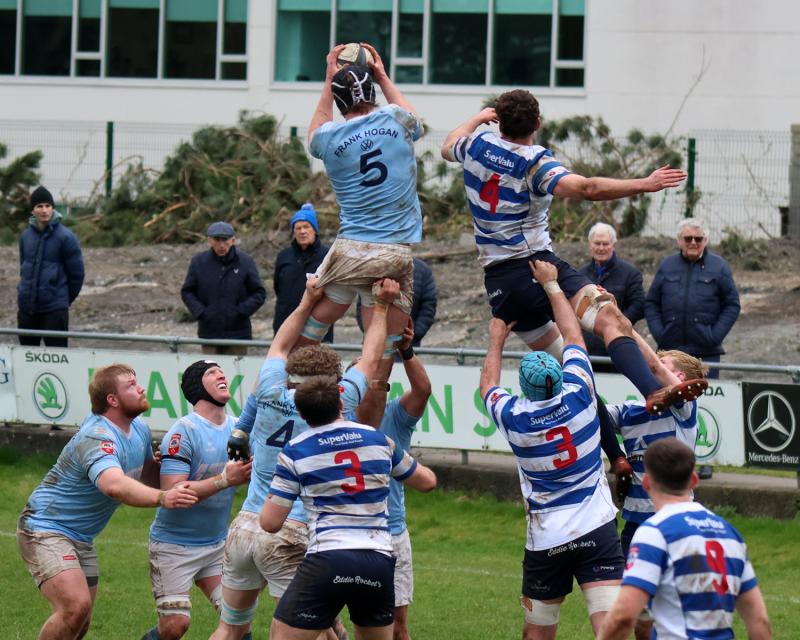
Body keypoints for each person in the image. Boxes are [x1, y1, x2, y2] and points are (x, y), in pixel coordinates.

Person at [440, 90, 691, 415]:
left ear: (498, 122)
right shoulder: (533, 163)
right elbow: (587, 188)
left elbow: (448, 145)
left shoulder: (477, 144)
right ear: (538, 123)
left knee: (575, 381)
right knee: (610, 318)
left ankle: (615, 442)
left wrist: (477, 118)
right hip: (537, 265)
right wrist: (645, 183)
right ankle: (654, 390)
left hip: (502, 284)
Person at [210, 277, 401, 640]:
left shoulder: (269, 388)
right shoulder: (338, 401)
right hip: (290, 531)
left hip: (246, 526)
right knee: (321, 634)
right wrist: (380, 307)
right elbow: (371, 358)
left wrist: (306, 300)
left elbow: (280, 344)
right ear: (333, 383)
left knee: (229, 629)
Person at [479, 259, 625, 640]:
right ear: (559, 377)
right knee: (609, 629)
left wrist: (497, 337)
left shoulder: (516, 418)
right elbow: (573, 336)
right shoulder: (580, 391)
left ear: (524, 390)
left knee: (538, 634)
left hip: (547, 538)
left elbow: (488, 387)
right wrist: (552, 285)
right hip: (597, 527)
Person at [16, 364, 198, 640]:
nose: (141, 388)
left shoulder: (139, 429)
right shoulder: (97, 435)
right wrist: (163, 498)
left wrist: (173, 466)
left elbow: (148, 477)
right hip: (44, 529)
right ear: (112, 399)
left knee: (80, 622)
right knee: (74, 608)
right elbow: (113, 485)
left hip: (81, 538)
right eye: (131, 385)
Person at [261, 375, 437, 640]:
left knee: (281, 634)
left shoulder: (295, 451)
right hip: (377, 560)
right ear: (341, 404)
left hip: (328, 558)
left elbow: (270, 522)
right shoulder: (378, 439)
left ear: (303, 415)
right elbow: (427, 482)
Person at [299, 43, 423, 347]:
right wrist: (383, 77)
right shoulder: (395, 118)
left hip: (350, 247)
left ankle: (292, 367)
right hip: (393, 250)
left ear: (339, 101)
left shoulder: (328, 137)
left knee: (313, 322)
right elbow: (414, 119)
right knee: (382, 344)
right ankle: (374, 370)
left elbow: (315, 130)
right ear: (372, 92)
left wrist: (329, 80)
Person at [598, 438, 772, 640]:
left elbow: (624, 617)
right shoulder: (731, 535)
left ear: (646, 482)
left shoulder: (655, 533)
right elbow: (760, 622)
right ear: (694, 481)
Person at [140, 360, 253, 640]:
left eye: (222, 371)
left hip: (216, 545)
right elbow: (173, 491)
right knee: (175, 626)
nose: (221, 375)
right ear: (196, 386)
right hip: (174, 546)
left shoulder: (238, 430)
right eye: (212, 373)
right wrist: (225, 479)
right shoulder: (183, 432)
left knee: (238, 622)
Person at [601, 347, 707, 640]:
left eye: (662, 364)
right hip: (635, 528)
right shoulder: (630, 410)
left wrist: (623, 331)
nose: (651, 367)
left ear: (679, 378)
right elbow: (594, 415)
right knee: (639, 615)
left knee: (673, 609)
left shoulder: (683, 407)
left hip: (674, 525)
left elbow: (658, 373)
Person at [348, 321, 431, 640]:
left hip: (391, 532)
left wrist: (406, 351)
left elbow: (422, 390)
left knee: (397, 628)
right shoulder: (336, 419)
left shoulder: (395, 415)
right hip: (346, 533)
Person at [645, 217, 741, 379]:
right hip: (670, 353)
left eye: (699, 239)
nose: (693, 243)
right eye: (688, 238)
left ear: (706, 241)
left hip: (706, 354)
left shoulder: (719, 266)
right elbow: (651, 303)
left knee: (704, 395)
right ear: (679, 241)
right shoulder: (667, 266)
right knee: (668, 394)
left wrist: (714, 336)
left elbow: (732, 305)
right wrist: (661, 334)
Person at [181, 221, 266, 356]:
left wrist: (240, 311)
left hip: (238, 333)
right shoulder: (199, 262)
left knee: (237, 369)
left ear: (233, 240)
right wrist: (202, 312)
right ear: (210, 241)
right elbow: (187, 292)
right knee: (210, 368)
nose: (221, 245)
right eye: (217, 240)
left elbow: (259, 293)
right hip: (209, 333)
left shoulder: (245, 261)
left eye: (225, 240)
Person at [17, 185, 84, 347]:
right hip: (27, 310)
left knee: (57, 357)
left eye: (48, 206)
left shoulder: (66, 237)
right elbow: (23, 268)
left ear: (53, 208)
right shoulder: (26, 237)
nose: (44, 210)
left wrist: (63, 300)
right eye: (39, 206)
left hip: (54, 311)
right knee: (26, 356)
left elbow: (77, 275)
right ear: (32, 210)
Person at [578, 222, 645, 373]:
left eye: (605, 244)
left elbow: (639, 305)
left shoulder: (630, 274)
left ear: (613, 244)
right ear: (590, 244)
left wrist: (616, 324)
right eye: (597, 243)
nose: (601, 248)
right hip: (588, 348)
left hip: (618, 346)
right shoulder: (580, 276)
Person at [273, 203, 333, 343]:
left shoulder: (327, 256)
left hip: (317, 323)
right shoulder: (284, 256)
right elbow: (277, 288)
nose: (302, 231)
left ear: (315, 230)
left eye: (306, 227)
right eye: (298, 228)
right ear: (293, 232)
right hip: (285, 321)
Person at [356, 256, 438, 347]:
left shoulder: (422, 270)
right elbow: (363, 303)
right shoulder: (377, 267)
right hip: (375, 340)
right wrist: (370, 331)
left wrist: (415, 334)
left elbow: (428, 306)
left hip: (408, 341)